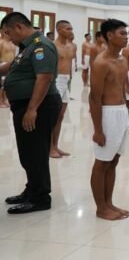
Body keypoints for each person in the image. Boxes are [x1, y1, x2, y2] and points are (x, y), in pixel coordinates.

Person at [0, 12, 62, 214]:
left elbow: (44, 78)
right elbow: (14, 67)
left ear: (19, 27)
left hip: (38, 106)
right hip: (27, 105)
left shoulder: (40, 46)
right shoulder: (28, 47)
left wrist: (32, 109)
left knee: (35, 152)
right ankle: (32, 189)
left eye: (8, 33)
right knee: (28, 152)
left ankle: (40, 197)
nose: (8, 38)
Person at [89, 18, 129, 220]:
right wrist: (98, 129)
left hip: (122, 112)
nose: (126, 37)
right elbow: (94, 98)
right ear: (109, 35)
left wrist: (128, 117)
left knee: (113, 161)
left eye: (126, 33)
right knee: (102, 163)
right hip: (107, 114)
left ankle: (109, 203)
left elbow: (121, 89)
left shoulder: (123, 60)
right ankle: (100, 208)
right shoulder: (101, 63)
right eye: (122, 33)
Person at [50, 20, 76, 158]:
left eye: (71, 28)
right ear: (59, 30)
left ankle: (55, 145)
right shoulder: (53, 46)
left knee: (60, 116)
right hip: (56, 80)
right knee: (52, 116)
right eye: (67, 28)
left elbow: (70, 63)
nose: (71, 31)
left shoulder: (72, 46)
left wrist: (70, 79)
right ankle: (49, 148)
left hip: (66, 80)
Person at [0, 30, 17, 108]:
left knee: (8, 84)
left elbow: (14, 56)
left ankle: (5, 100)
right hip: (2, 64)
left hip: (11, 65)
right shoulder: (1, 42)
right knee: (2, 85)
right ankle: (0, 101)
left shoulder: (12, 44)